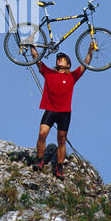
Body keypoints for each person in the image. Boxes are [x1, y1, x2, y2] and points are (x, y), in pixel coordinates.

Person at [30, 42, 94, 179]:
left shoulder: (72, 76)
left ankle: (59, 167)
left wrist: (90, 50)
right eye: (58, 58)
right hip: (50, 110)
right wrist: (31, 45)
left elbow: (86, 64)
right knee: (42, 134)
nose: (59, 60)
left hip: (64, 112)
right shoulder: (49, 73)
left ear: (68, 65)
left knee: (62, 139)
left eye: (63, 58)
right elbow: (36, 59)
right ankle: (39, 160)